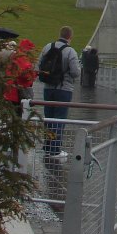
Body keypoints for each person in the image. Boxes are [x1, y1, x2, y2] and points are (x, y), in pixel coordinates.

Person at [38, 25, 80, 160]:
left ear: (59, 34)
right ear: (70, 37)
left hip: (48, 88)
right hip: (63, 89)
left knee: (48, 118)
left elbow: (39, 65)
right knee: (59, 119)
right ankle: (55, 149)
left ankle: (47, 146)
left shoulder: (47, 47)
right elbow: (75, 72)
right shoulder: (70, 51)